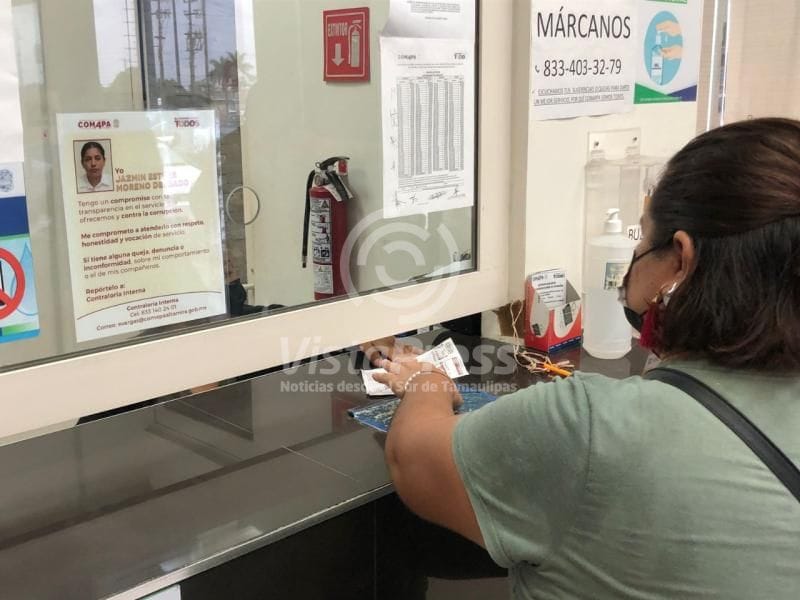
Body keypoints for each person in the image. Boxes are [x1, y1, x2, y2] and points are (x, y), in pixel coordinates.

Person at [372, 118, 800, 599]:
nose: (634, 258)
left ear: (681, 260)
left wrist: (427, 384)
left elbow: (414, 460)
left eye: (643, 242)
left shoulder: (591, 426)